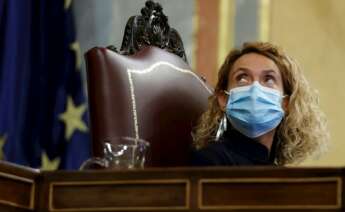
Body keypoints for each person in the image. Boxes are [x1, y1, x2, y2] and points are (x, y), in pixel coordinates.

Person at [191, 42, 329, 166]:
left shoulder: (275, 170)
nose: (255, 88)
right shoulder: (210, 161)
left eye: (268, 79)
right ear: (224, 99)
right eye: (242, 77)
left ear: (286, 103)